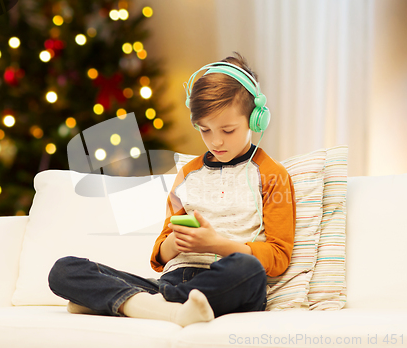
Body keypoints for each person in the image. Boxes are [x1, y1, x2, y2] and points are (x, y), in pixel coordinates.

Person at [48, 51, 296, 327]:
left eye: (228, 130)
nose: (216, 141)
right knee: (64, 270)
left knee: (249, 271)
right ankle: (170, 308)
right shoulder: (188, 174)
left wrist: (215, 244)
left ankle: (128, 302)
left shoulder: (273, 175)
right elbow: (159, 256)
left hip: (225, 281)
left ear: (255, 120)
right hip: (171, 281)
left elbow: (277, 257)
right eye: (205, 130)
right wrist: (174, 243)